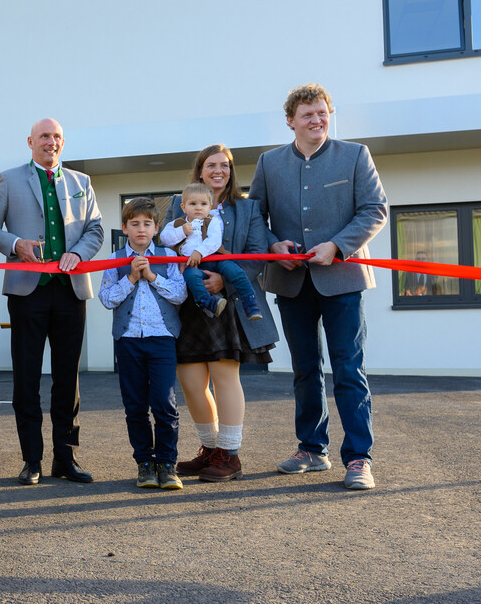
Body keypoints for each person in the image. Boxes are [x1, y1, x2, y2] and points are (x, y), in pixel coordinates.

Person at [249, 84, 387, 490]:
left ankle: (359, 458)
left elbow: (375, 209)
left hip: (343, 279)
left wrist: (338, 245)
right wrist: (273, 246)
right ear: (290, 121)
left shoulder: (355, 155)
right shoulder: (269, 163)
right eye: (308, 114)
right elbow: (255, 218)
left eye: (322, 112)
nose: (317, 120)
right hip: (291, 282)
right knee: (305, 370)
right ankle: (312, 449)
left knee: (349, 369)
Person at [0, 117, 103, 486]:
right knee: (27, 378)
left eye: (57, 137)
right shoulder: (9, 179)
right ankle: (31, 459)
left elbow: (95, 229)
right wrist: (14, 244)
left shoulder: (81, 182)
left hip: (70, 291)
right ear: (30, 141)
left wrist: (78, 254)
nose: (51, 142)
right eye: (44, 136)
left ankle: (66, 458)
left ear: (62, 142)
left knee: (68, 379)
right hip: (27, 292)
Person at [165, 144, 279, 483]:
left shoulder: (248, 208)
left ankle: (230, 456)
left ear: (231, 171)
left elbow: (257, 254)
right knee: (190, 381)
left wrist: (222, 282)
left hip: (228, 303)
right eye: (211, 165)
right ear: (200, 171)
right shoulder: (178, 202)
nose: (218, 170)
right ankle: (210, 449)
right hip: (187, 302)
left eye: (225, 165)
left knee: (224, 375)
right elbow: (164, 244)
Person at [97, 198, 187, 489]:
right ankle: (145, 463)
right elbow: (107, 299)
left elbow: (180, 294)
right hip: (128, 341)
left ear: (156, 228)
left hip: (162, 339)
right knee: (135, 406)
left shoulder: (167, 256)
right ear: (124, 228)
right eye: (134, 224)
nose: (141, 229)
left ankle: (167, 464)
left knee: (164, 404)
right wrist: (132, 278)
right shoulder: (115, 260)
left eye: (147, 224)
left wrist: (151, 276)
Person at [160, 182, 264, 321]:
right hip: (193, 264)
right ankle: (209, 304)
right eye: (193, 204)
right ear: (183, 207)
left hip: (216, 259)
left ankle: (250, 303)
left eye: (203, 204)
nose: (198, 207)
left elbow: (214, 241)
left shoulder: (213, 221)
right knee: (191, 277)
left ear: (210, 207)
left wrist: (199, 252)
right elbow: (165, 239)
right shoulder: (176, 224)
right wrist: (181, 231)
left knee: (236, 272)